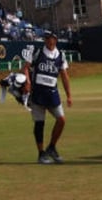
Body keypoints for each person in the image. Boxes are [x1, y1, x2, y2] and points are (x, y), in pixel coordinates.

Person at [22, 30, 72, 164]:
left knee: (61, 120)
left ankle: (52, 147)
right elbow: (25, 68)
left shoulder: (61, 55)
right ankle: (41, 153)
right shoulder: (37, 52)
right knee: (39, 123)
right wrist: (27, 81)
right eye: (46, 38)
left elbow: (64, 76)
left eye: (51, 38)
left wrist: (69, 95)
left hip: (52, 93)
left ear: (55, 39)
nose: (48, 40)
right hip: (37, 93)